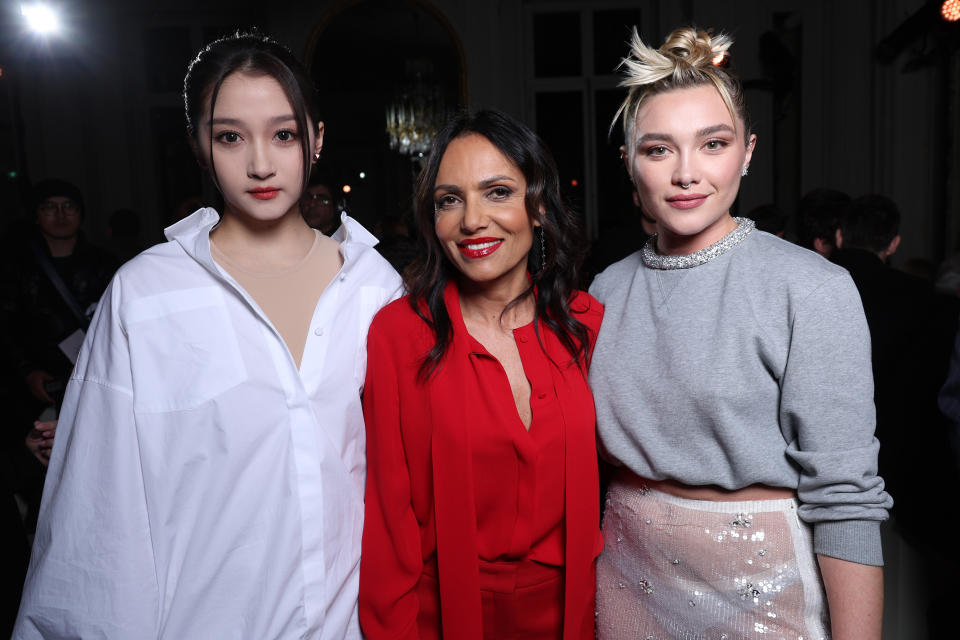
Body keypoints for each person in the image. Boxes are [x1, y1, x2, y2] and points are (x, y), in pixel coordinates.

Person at [14, 31, 401, 639]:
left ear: (317, 139)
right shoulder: (147, 294)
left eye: (283, 134)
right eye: (229, 136)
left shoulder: (376, 287)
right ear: (199, 144)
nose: (260, 163)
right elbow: (99, 518)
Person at [589, 27, 891, 640]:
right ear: (628, 162)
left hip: (763, 590)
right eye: (658, 149)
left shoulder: (809, 288)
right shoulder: (603, 292)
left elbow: (846, 498)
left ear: (747, 152)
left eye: (713, 144)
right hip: (626, 580)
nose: (686, 173)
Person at [359, 109, 603, 639]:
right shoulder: (398, 335)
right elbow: (388, 520)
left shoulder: (585, 322)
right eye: (450, 200)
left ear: (537, 207)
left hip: (573, 615)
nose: (472, 220)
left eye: (497, 192)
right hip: (441, 617)